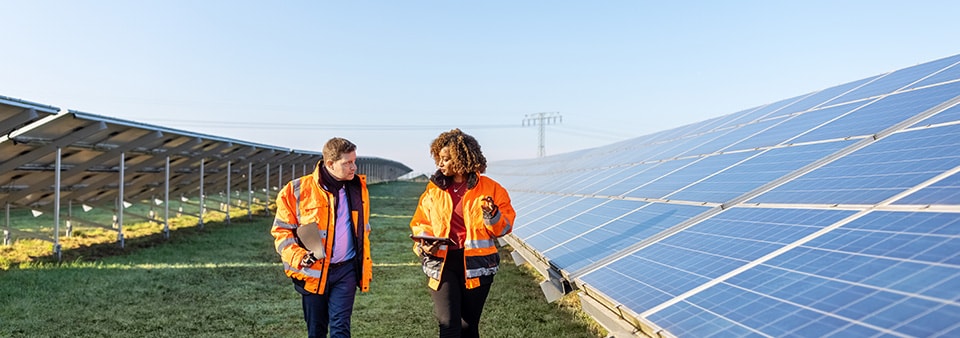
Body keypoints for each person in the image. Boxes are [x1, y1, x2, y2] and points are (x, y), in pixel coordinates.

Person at [410, 128, 517, 338]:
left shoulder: (492, 189)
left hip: (477, 266)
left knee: (468, 327)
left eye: (446, 159)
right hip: (441, 263)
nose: (440, 164)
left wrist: (492, 214)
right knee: (448, 324)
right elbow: (421, 222)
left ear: (461, 160)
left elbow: (504, 228)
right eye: (438, 158)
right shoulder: (434, 190)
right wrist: (424, 244)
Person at [271, 137, 372, 338]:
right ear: (330, 164)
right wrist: (299, 256)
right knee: (316, 331)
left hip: (346, 270)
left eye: (354, 161)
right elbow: (281, 232)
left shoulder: (358, 188)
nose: (354, 167)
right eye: (348, 163)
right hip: (313, 273)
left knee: (341, 328)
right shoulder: (295, 190)